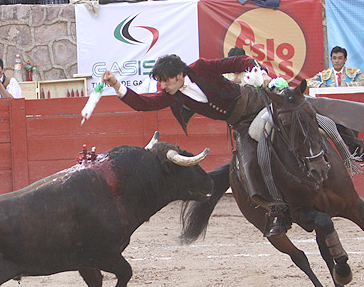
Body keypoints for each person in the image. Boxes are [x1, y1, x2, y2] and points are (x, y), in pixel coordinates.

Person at [100, 54, 302, 236]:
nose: (162, 86)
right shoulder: (173, 95)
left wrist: (262, 74)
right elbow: (144, 104)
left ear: (179, 74)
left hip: (259, 100)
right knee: (249, 163)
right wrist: (116, 84)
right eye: (160, 81)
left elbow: (239, 61)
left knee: (302, 117)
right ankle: (276, 209)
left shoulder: (202, 67)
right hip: (242, 124)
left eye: (165, 80)